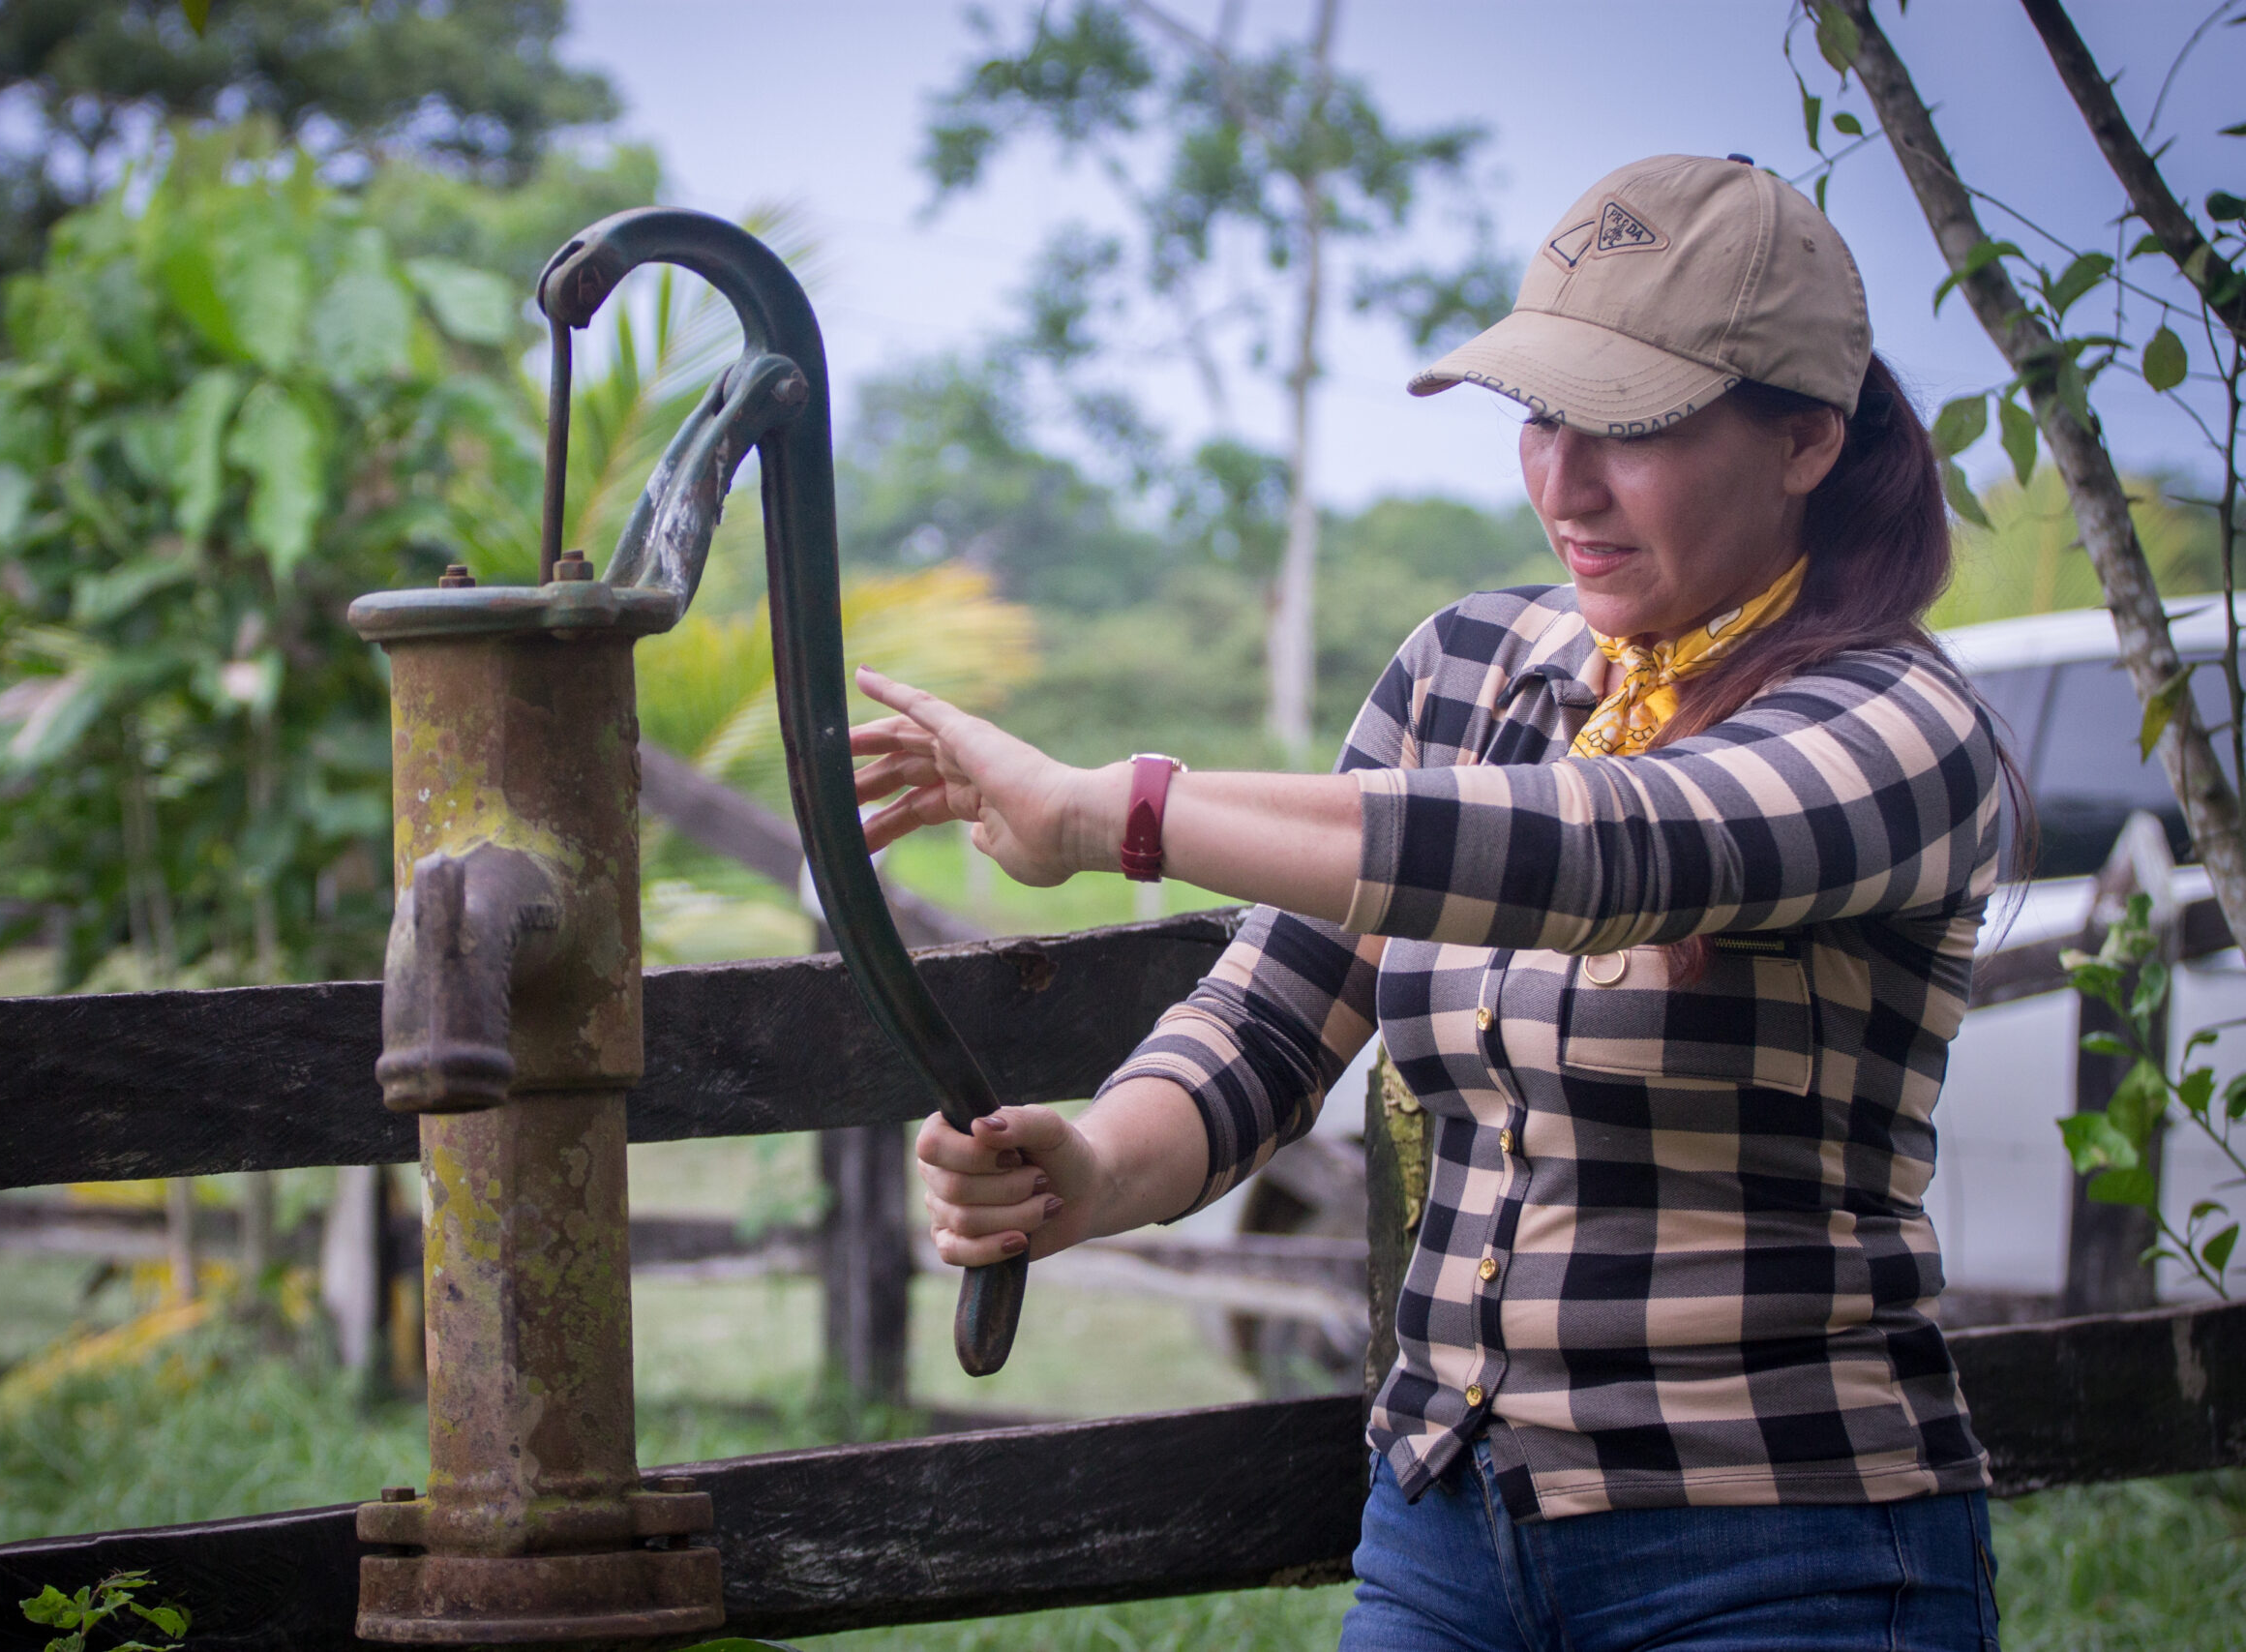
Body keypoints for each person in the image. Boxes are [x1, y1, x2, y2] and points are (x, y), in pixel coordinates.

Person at [849, 154, 2007, 1652]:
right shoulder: (1469, 668)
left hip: (1786, 1544)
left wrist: (1109, 810)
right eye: (1543, 419)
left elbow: (1604, 853)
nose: (1565, 483)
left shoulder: (1899, 729)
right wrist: (1098, 1167)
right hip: (1447, 1526)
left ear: (1805, 443)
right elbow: (1274, 1009)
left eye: (1634, 429)